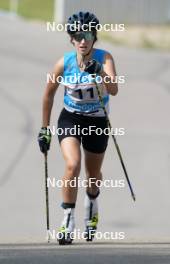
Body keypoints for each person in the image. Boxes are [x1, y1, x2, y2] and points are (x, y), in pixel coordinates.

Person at [38, 11, 118, 245]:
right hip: (70, 118)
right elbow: (48, 96)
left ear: (94, 37)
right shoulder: (64, 63)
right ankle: (68, 218)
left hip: (97, 120)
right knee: (72, 165)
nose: (83, 40)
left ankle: (92, 202)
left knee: (92, 175)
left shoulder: (105, 58)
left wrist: (101, 73)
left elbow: (114, 89)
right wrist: (45, 129)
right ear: (71, 39)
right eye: (77, 35)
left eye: (88, 35)